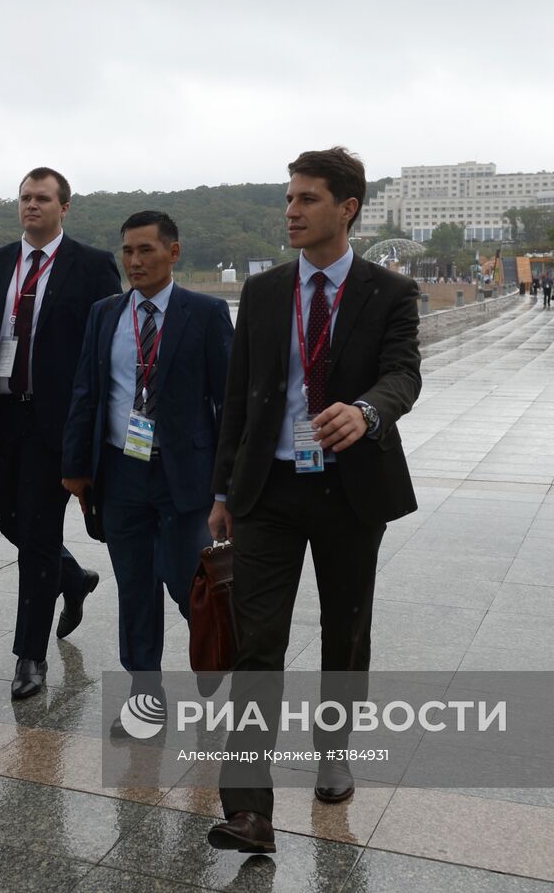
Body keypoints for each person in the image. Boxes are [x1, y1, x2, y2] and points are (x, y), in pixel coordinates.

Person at [204, 147, 422, 854]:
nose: (291, 211)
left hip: (351, 488)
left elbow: (403, 375)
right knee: (257, 644)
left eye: (306, 199)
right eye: (289, 198)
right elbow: (237, 396)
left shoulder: (387, 292)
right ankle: (248, 810)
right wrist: (222, 489)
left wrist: (366, 410)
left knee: (344, 631)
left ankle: (335, 749)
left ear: (347, 208)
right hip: (268, 488)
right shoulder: (265, 293)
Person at [0, 167, 122, 700]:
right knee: (8, 518)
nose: (31, 206)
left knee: (39, 537)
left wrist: (99, 424)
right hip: (1, 416)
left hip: (58, 422)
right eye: (25, 198)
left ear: (64, 206)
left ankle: (30, 657)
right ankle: (73, 578)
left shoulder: (91, 266)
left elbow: (107, 348)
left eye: (42, 198)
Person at [60, 211, 233, 718]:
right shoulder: (105, 313)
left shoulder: (204, 312)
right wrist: (76, 466)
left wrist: (227, 486)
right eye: (128, 252)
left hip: (185, 474)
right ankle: (143, 694)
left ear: (173, 252)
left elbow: (227, 400)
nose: (134, 262)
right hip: (121, 472)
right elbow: (85, 392)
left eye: (146, 251)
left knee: (188, 580)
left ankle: (211, 657)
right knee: (135, 587)